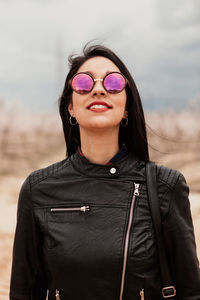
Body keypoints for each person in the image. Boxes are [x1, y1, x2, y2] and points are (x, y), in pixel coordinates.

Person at [9, 43, 200, 300]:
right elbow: (23, 293)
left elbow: (190, 292)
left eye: (112, 83)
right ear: (71, 108)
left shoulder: (166, 186)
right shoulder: (38, 189)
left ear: (127, 107)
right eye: (83, 84)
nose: (98, 89)